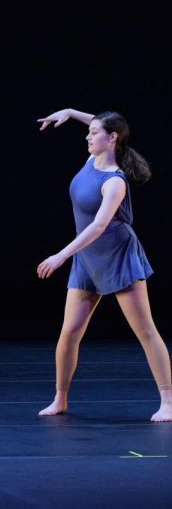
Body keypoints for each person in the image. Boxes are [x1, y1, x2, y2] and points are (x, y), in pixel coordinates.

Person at [36, 108, 171, 422]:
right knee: (69, 332)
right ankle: (60, 399)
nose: (88, 135)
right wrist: (70, 113)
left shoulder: (114, 182)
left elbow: (97, 226)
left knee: (145, 330)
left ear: (112, 139)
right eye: (89, 130)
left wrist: (60, 256)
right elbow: (102, 124)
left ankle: (168, 400)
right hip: (88, 258)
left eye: (94, 132)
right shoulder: (90, 161)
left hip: (118, 255)